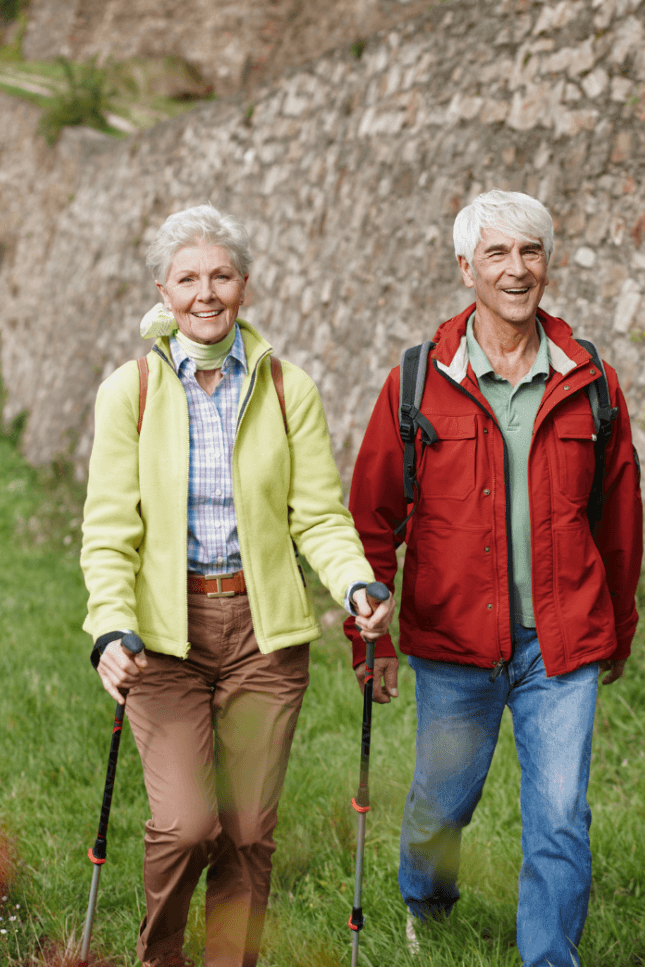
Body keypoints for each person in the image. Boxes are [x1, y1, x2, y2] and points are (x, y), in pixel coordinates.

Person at [80, 204, 394, 967]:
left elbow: (318, 515)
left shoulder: (289, 389)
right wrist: (109, 629)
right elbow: (109, 530)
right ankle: (160, 957)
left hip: (264, 636)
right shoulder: (134, 392)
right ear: (164, 289)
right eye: (188, 278)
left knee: (249, 831)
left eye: (220, 275)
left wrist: (355, 585)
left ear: (245, 286)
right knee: (188, 825)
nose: (205, 292)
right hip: (163, 639)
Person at [344, 189, 643, 967]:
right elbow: (372, 517)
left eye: (531, 252)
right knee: (441, 807)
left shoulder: (593, 380)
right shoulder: (417, 381)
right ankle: (426, 905)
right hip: (454, 641)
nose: (518, 270)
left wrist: (621, 627)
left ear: (549, 263)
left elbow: (619, 523)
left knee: (560, 818)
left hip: (562, 641)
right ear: (465, 267)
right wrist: (365, 639)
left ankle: (548, 957)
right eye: (499, 254)